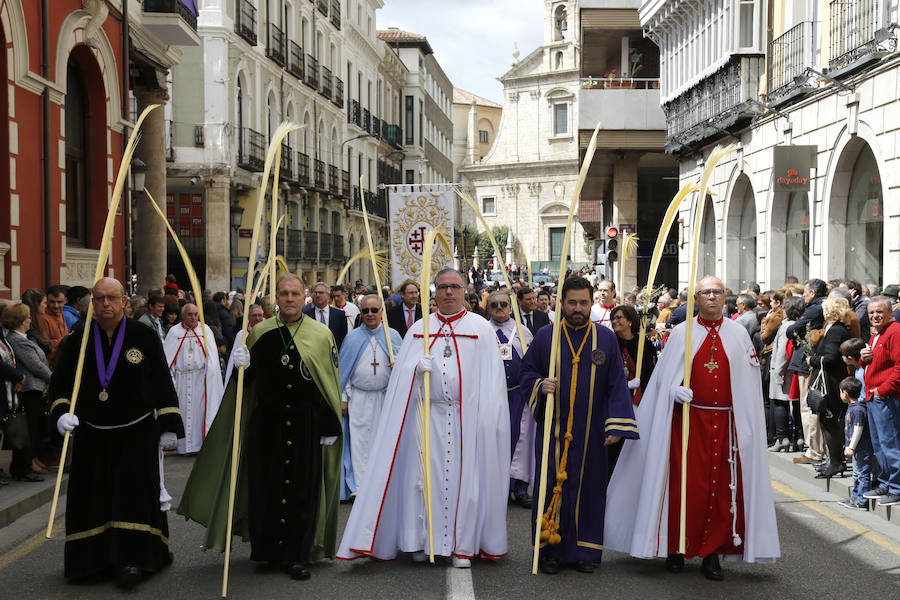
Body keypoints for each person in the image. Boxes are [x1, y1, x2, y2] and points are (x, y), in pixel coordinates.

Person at [605, 275, 780, 581]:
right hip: (685, 423)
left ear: (725, 296)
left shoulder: (738, 334)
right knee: (683, 487)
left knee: (721, 490)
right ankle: (676, 549)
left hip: (725, 425)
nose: (712, 297)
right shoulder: (682, 333)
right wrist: (673, 388)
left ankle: (712, 554)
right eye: (706, 292)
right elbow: (661, 379)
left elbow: (749, 385)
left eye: (717, 292)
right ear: (696, 298)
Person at [337, 268, 509, 567]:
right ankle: (419, 540)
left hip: (465, 418)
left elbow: (493, 381)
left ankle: (461, 546)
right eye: (442, 287)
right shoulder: (420, 329)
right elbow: (400, 377)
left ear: (464, 289)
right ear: (435, 292)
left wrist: (488, 419)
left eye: (455, 287)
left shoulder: (480, 328)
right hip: (424, 419)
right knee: (420, 481)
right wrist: (414, 368)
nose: (449, 293)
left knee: (463, 484)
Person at [178, 274, 342, 581]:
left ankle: (296, 553)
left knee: (300, 492)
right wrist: (242, 368)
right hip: (268, 426)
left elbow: (328, 384)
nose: (289, 298)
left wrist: (330, 423)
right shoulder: (260, 333)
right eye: (284, 293)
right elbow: (245, 390)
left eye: (295, 293)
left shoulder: (321, 335)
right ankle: (268, 549)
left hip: (306, 425)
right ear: (275, 298)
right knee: (266, 487)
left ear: (303, 297)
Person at [49, 277, 184, 587]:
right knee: (92, 498)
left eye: (111, 298)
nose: (105, 304)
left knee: (133, 497)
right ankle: (91, 561)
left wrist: (167, 425)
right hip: (92, 435)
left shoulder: (144, 336)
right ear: (91, 304)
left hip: (135, 434)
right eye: (98, 299)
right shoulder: (78, 341)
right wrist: (60, 413)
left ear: (124, 301)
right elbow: (60, 385)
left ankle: (133, 561)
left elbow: (161, 380)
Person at [519, 276, 637, 574]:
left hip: (592, 432)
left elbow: (616, 386)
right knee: (551, 489)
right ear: (562, 303)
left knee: (591, 490)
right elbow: (526, 373)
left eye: (584, 302)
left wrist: (615, 426)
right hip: (553, 432)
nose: (578, 308)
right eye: (571, 302)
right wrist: (539, 384)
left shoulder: (606, 338)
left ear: (591, 303)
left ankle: (586, 552)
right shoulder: (546, 336)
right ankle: (550, 552)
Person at [338, 295, 402, 489]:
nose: (370, 314)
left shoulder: (393, 336)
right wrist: (343, 398)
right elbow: (344, 372)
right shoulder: (352, 338)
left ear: (382, 312)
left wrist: (397, 367)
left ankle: (382, 484)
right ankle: (360, 485)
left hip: (385, 398)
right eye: (365, 311)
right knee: (360, 444)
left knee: (383, 442)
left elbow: (403, 370)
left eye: (374, 310)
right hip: (359, 399)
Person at [487, 290, 535, 508]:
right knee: (495, 439)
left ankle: (520, 487)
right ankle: (499, 488)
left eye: (503, 304)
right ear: (488, 307)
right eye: (494, 304)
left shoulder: (522, 331)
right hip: (491, 395)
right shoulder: (482, 330)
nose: (499, 307)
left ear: (510, 306)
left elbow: (532, 361)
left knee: (520, 439)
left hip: (517, 394)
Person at [163, 304, 224, 455]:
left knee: (199, 414)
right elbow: (167, 359)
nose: (193, 318)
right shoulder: (174, 332)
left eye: (196, 314)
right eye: (190, 314)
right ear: (182, 316)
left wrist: (209, 377)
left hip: (200, 380)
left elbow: (213, 361)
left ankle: (199, 446)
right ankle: (184, 447)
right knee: (183, 413)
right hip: (181, 379)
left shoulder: (206, 330)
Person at [806, 296, 853, 479]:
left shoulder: (835, 331)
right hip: (831, 380)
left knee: (829, 422)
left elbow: (830, 358)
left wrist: (812, 360)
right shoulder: (834, 329)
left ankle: (835, 462)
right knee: (827, 422)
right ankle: (834, 460)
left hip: (831, 383)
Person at [860, 297, 900, 507]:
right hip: (875, 397)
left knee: (890, 444)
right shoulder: (879, 333)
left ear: (890, 313)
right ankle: (886, 483)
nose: (875, 316)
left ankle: (896, 488)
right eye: (871, 313)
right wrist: (863, 358)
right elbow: (877, 362)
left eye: (879, 312)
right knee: (880, 444)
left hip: (886, 397)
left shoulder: (895, 331)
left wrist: (883, 390)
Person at [608, 304, 657, 473]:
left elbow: (651, 374)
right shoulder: (609, 343)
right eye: (613, 318)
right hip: (615, 403)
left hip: (639, 402)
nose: (615, 321)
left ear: (630, 321)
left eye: (619, 318)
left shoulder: (644, 344)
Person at [2, 303, 49, 481]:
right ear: (21, 321)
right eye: (28, 317)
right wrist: (53, 379)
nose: (30, 320)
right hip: (29, 389)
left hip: (34, 388)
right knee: (27, 429)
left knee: (32, 428)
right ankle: (23, 468)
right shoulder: (17, 339)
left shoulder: (22, 337)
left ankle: (25, 465)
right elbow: (35, 365)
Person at [787, 279, 828, 466]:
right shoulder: (821, 306)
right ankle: (818, 450)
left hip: (808, 361)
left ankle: (814, 451)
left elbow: (791, 330)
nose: (803, 296)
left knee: (808, 407)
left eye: (805, 293)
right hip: (814, 360)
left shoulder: (814, 308)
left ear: (812, 293)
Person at [769, 296, 806, 452]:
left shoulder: (786, 327)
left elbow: (782, 353)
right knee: (796, 404)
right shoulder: (801, 324)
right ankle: (798, 437)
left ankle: (782, 438)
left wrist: (778, 372)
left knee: (780, 402)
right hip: (794, 370)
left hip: (784, 371)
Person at [838, 377, 873, 510]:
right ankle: (855, 497)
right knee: (857, 473)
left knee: (862, 473)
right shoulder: (853, 407)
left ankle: (862, 500)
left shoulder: (857, 410)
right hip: (857, 447)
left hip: (862, 447)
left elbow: (858, 429)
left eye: (840, 392)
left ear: (845, 393)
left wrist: (851, 447)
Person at [303, 282, 348, 349]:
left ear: (328, 295)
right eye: (315, 293)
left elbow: (343, 338)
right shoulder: (305, 315)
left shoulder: (339, 315)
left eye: (321, 293)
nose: (317, 295)